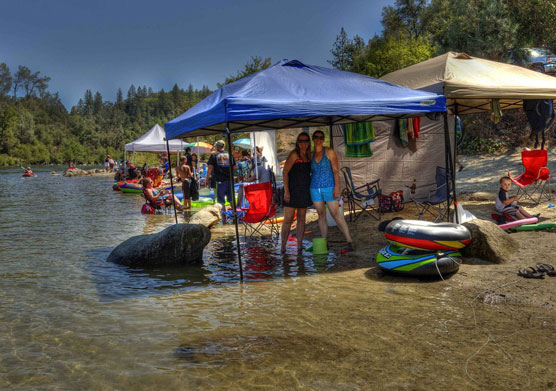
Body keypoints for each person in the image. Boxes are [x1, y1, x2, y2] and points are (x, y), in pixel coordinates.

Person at [310, 130, 354, 251]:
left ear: (323, 139)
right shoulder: (311, 154)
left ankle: (349, 240)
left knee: (336, 214)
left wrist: (337, 187)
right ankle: (325, 241)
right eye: (316, 137)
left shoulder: (329, 151)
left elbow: (335, 171)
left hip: (329, 186)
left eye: (321, 137)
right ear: (313, 139)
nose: (318, 139)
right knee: (321, 215)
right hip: (314, 187)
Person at [280, 132, 312, 253]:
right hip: (292, 190)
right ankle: (283, 246)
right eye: (301, 141)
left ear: (308, 143)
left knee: (302, 218)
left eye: (305, 141)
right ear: (298, 143)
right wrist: (286, 191)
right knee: (288, 219)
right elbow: (285, 172)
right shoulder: (294, 154)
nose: (303, 143)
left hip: (304, 190)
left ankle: (299, 245)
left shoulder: (309, 156)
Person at [206, 139, 236, 222]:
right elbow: (234, 167)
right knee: (231, 199)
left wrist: (207, 178)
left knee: (221, 201)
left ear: (218, 146)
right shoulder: (230, 155)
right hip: (229, 180)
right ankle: (235, 216)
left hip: (219, 181)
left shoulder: (214, 155)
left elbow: (210, 167)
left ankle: (224, 220)